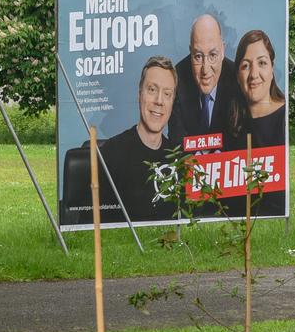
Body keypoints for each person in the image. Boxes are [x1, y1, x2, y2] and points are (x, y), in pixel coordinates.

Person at [97, 55, 181, 222]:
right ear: (139, 94)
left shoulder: (178, 158)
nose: (159, 101)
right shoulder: (110, 154)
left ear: (172, 102)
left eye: (167, 94)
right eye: (152, 89)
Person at [169, 13, 241, 146]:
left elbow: (240, 140)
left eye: (213, 55)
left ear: (223, 50)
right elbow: (176, 142)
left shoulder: (237, 78)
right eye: (198, 56)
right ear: (190, 52)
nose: (205, 69)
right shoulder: (177, 78)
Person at [226, 29, 287, 151]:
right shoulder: (232, 126)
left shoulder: (286, 118)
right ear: (238, 76)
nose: (254, 74)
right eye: (246, 66)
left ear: (272, 70)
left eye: (262, 63)